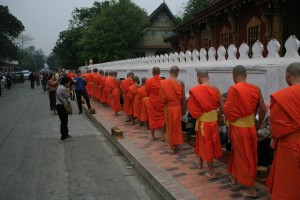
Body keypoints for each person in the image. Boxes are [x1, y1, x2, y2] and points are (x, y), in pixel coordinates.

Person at [223, 65, 266, 197]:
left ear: (234, 76)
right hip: (250, 127)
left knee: (244, 156)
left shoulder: (234, 89)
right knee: (242, 153)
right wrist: (257, 125)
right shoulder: (256, 88)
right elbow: (264, 109)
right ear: (246, 75)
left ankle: (251, 189)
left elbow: (227, 110)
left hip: (239, 129)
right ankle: (235, 177)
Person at [266, 62, 300, 200]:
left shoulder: (282, 96)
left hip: (289, 147)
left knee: (288, 184)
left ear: (287, 75)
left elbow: (276, 130)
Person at [187, 70, 223, 178]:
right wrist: (216, 117)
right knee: (204, 143)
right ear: (208, 77)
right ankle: (200, 161)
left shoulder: (195, 90)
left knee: (206, 145)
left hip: (204, 123)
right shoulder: (216, 89)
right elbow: (222, 107)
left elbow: (192, 110)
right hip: (213, 122)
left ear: (198, 78)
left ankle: (212, 172)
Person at [160, 65, 186, 153]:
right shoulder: (181, 83)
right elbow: (183, 98)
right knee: (177, 126)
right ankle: (177, 145)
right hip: (178, 107)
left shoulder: (163, 82)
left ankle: (171, 147)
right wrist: (184, 109)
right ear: (177, 73)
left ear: (169, 72)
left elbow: (162, 98)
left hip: (168, 107)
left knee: (170, 126)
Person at [146, 67, 166, 141]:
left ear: (152, 72)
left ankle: (152, 135)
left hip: (152, 101)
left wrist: (151, 96)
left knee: (152, 118)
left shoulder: (149, 81)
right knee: (162, 118)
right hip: (161, 102)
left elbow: (147, 92)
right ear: (159, 72)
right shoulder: (163, 81)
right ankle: (162, 136)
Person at [56, 76, 73, 141]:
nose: (69, 84)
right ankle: (64, 136)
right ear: (65, 83)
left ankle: (66, 134)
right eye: (69, 83)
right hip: (61, 106)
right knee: (64, 122)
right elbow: (68, 95)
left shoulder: (60, 86)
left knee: (64, 121)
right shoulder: (63, 89)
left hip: (60, 105)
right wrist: (70, 90)